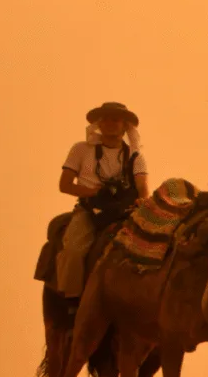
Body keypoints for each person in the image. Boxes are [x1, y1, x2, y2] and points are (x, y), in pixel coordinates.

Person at [55, 102, 150, 298]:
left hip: (125, 212)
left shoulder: (135, 156)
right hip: (89, 211)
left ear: (125, 125)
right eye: (105, 119)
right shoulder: (81, 149)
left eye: (115, 119)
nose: (110, 123)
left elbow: (143, 188)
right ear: (99, 124)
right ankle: (71, 300)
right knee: (73, 250)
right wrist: (93, 193)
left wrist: (141, 201)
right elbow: (64, 185)